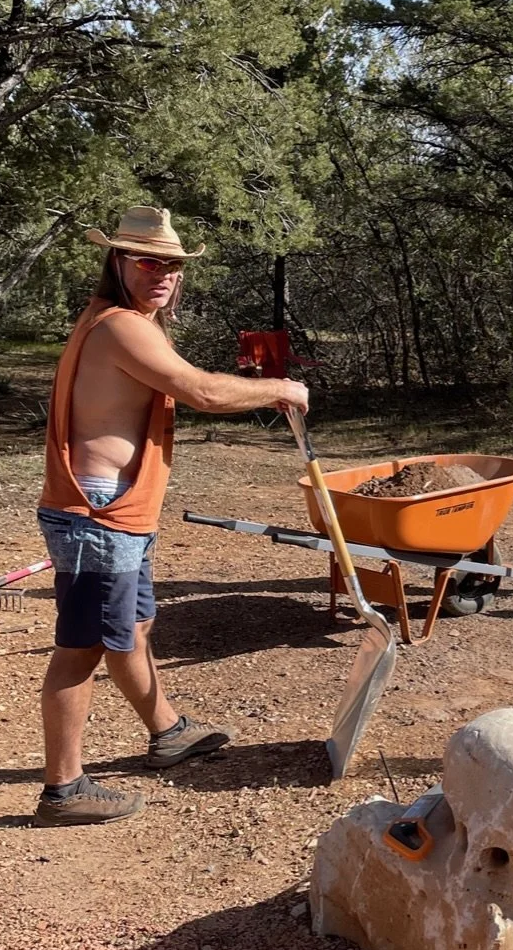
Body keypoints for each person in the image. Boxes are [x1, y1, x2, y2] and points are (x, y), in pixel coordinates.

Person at [34, 207, 310, 826]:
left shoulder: (128, 323)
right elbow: (203, 391)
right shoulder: (121, 327)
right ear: (119, 263)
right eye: (148, 261)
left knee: (132, 628)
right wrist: (280, 389)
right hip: (98, 511)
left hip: (120, 509)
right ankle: (63, 789)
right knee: (80, 648)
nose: (163, 273)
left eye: (173, 264)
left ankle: (168, 731)